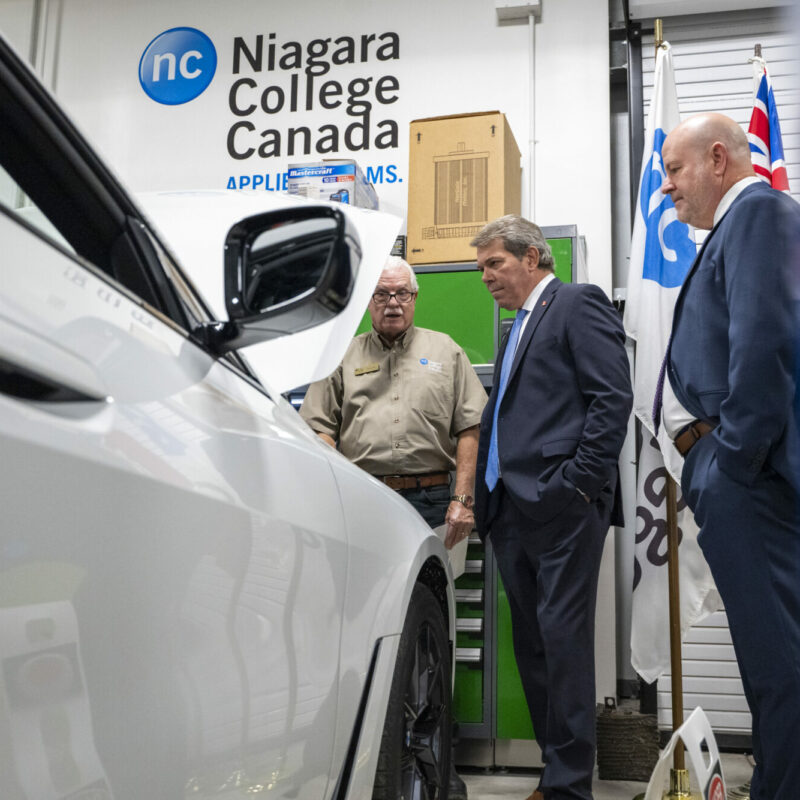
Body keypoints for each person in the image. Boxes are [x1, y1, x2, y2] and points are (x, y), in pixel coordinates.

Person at [300, 255, 487, 800]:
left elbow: (469, 429)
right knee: (360, 628)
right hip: (364, 501)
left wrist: (462, 498)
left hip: (435, 500)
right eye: (382, 294)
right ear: (369, 302)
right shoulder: (341, 356)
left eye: (401, 293)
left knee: (432, 634)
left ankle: (436, 763)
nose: (392, 303)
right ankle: (365, 758)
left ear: (415, 297)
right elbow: (318, 431)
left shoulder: (445, 351)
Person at [657, 112, 800, 800]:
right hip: (738, 475)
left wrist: (730, 463)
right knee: (771, 661)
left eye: (673, 170)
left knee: (780, 665)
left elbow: (765, 343)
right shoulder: (737, 229)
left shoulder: (757, 214)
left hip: (747, 476)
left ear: (719, 159)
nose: (665, 190)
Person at [470, 216, 632, 800]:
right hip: (511, 509)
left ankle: (568, 787)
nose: (484, 276)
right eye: (482, 265)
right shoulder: (517, 325)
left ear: (533, 256)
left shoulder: (575, 304)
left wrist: (578, 486)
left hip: (560, 506)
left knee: (562, 644)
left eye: (495, 263)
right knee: (534, 648)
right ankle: (553, 772)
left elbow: (612, 399)